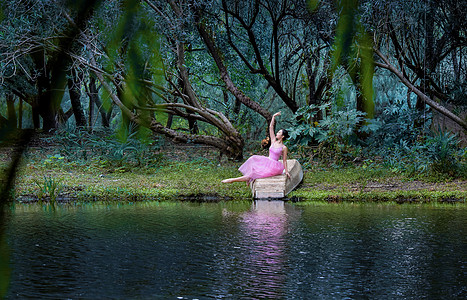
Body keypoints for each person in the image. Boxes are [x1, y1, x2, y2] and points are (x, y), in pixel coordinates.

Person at [222, 111, 290, 183]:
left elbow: (284, 160)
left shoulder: (284, 147)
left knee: (255, 174)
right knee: (253, 158)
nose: (277, 133)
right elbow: (271, 127)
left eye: (279, 132)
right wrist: (273, 117)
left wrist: (287, 171)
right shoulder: (273, 141)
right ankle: (242, 179)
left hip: (274, 166)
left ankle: (232, 180)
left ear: (282, 136)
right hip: (267, 161)